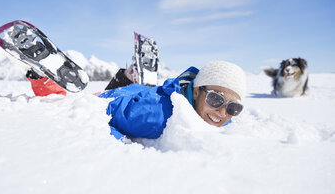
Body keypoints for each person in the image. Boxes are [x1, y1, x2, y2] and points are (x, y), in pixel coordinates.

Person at [26, 59, 246, 141]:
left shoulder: (197, 108)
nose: (222, 112)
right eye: (216, 99)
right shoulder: (158, 118)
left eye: (233, 108)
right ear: (196, 92)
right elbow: (97, 111)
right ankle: (48, 82)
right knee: (76, 100)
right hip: (111, 99)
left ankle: (127, 77)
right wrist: (121, 142)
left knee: (140, 88)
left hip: (136, 92)